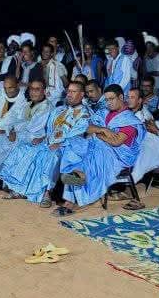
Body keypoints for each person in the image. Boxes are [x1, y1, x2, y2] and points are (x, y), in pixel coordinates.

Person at [0, 81, 91, 204]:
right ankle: (20, 189)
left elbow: (78, 136)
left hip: (69, 147)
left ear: (82, 94)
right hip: (49, 142)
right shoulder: (60, 110)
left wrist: (60, 144)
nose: (69, 94)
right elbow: (50, 130)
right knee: (23, 148)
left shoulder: (85, 114)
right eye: (68, 91)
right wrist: (43, 138)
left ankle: (46, 194)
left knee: (52, 156)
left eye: (73, 92)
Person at [59, 84, 145, 214]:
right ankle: (76, 179)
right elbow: (87, 127)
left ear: (121, 97)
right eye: (107, 99)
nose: (109, 102)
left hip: (117, 157)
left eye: (112, 99)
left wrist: (98, 134)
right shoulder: (104, 112)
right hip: (99, 147)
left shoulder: (129, 120)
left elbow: (116, 142)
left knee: (96, 154)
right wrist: (102, 129)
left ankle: (75, 195)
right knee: (72, 144)